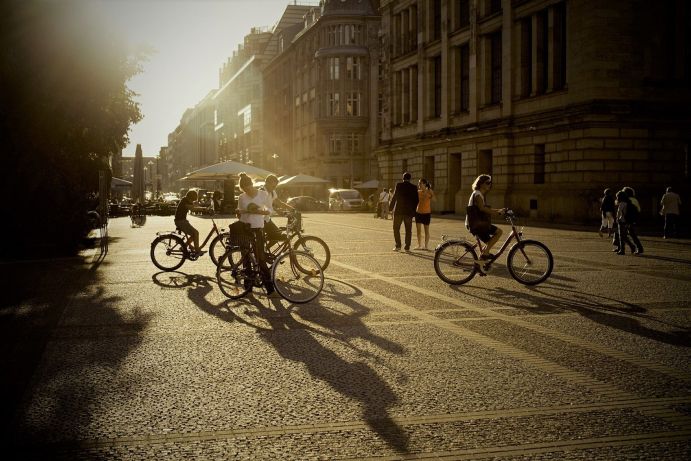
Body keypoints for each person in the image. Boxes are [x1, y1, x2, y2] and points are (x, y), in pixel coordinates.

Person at [237, 172, 274, 294]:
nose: (247, 191)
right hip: (245, 229)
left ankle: (270, 289)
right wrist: (240, 211)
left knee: (261, 258)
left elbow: (269, 209)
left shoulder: (263, 194)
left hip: (258, 228)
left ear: (252, 184)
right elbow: (238, 213)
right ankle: (248, 287)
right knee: (246, 258)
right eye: (245, 190)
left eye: (248, 188)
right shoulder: (242, 197)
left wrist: (261, 212)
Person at [465, 174, 506, 261]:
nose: (489, 185)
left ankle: (481, 260)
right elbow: (482, 208)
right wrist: (498, 213)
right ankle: (485, 254)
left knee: (489, 242)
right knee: (499, 232)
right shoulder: (477, 194)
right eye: (487, 183)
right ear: (481, 184)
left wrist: (499, 210)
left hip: (477, 223)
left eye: (490, 183)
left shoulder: (479, 194)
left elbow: (484, 208)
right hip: (476, 224)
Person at [388, 172, 419, 252]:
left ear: (403, 178)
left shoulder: (399, 185)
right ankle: (407, 247)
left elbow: (395, 197)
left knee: (396, 228)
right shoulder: (414, 187)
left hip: (399, 211)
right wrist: (413, 211)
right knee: (408, 230)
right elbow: (416, 200)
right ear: (410, 178)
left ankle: (398, 245)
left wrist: (390, 208)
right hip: (409, 212)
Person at [262, 174, 293, 243]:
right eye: (273, 186)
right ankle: (262, 252)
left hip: (267, 219)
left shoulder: (272, 192)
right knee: (276, 236)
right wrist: (276, 210)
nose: (274, 188)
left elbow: (278, 202)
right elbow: (260, 206)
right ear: (267, 183)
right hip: (260, 220)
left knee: (277, 236)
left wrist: (291, 208)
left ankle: (265, 251)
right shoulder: (261, 192)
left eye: (275, 186)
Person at [174, 190, 202, 255]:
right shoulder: (185, 201)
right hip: (181, 222)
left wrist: (201, 207)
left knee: (194, 234)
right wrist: (205, 209)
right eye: (192, 200)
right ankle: (197, 250)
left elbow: (194, 207)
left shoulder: (185, 200)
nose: (192, 201)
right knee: (196, 233)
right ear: (190, 197)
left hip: (182, 221)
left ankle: (184, 246)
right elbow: (193, 209)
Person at [415, 178, 435, 250]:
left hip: (426, 213)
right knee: (418, 230)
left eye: (420, 183)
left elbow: (435, 200)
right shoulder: (418, 192)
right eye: (419, 183)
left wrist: (430, 192)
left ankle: (426, 246)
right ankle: (419, 245)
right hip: (418, 213)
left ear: (424, 184)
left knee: (426, 230)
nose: (419, 184)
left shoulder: (429, 191)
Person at [614, 189, 636, 255]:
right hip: (627, 221)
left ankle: (622, 250)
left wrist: (617, 219)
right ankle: (632, 246)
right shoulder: (627, 203)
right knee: (624, 236)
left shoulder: (621, 204)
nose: (617, 198)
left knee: (621, 236)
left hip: (622, 221)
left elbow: (619, 213)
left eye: (617, 196)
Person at [622, 186, 643, 254]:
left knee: (623, 235)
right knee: (632, 234)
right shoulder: (635, 200)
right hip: (633, 219)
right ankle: (638, 248)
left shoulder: (626, 200)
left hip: (627, 220)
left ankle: (633, 247)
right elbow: (639, 210)